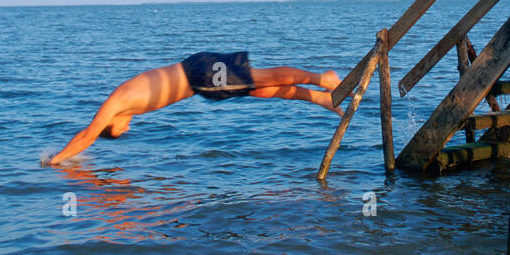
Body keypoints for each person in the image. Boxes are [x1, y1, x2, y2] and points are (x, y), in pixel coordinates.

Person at [44, 51, 343, 165]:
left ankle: (322, 79)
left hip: (199, 75)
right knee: (260, 91)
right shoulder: (121, 104)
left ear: (111, 127)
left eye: (120, 132)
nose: (127, 129)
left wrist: (55, 160)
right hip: (200, 80)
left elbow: (86, 136)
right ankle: (322, 99)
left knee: (260, 78)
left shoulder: (111, 109)